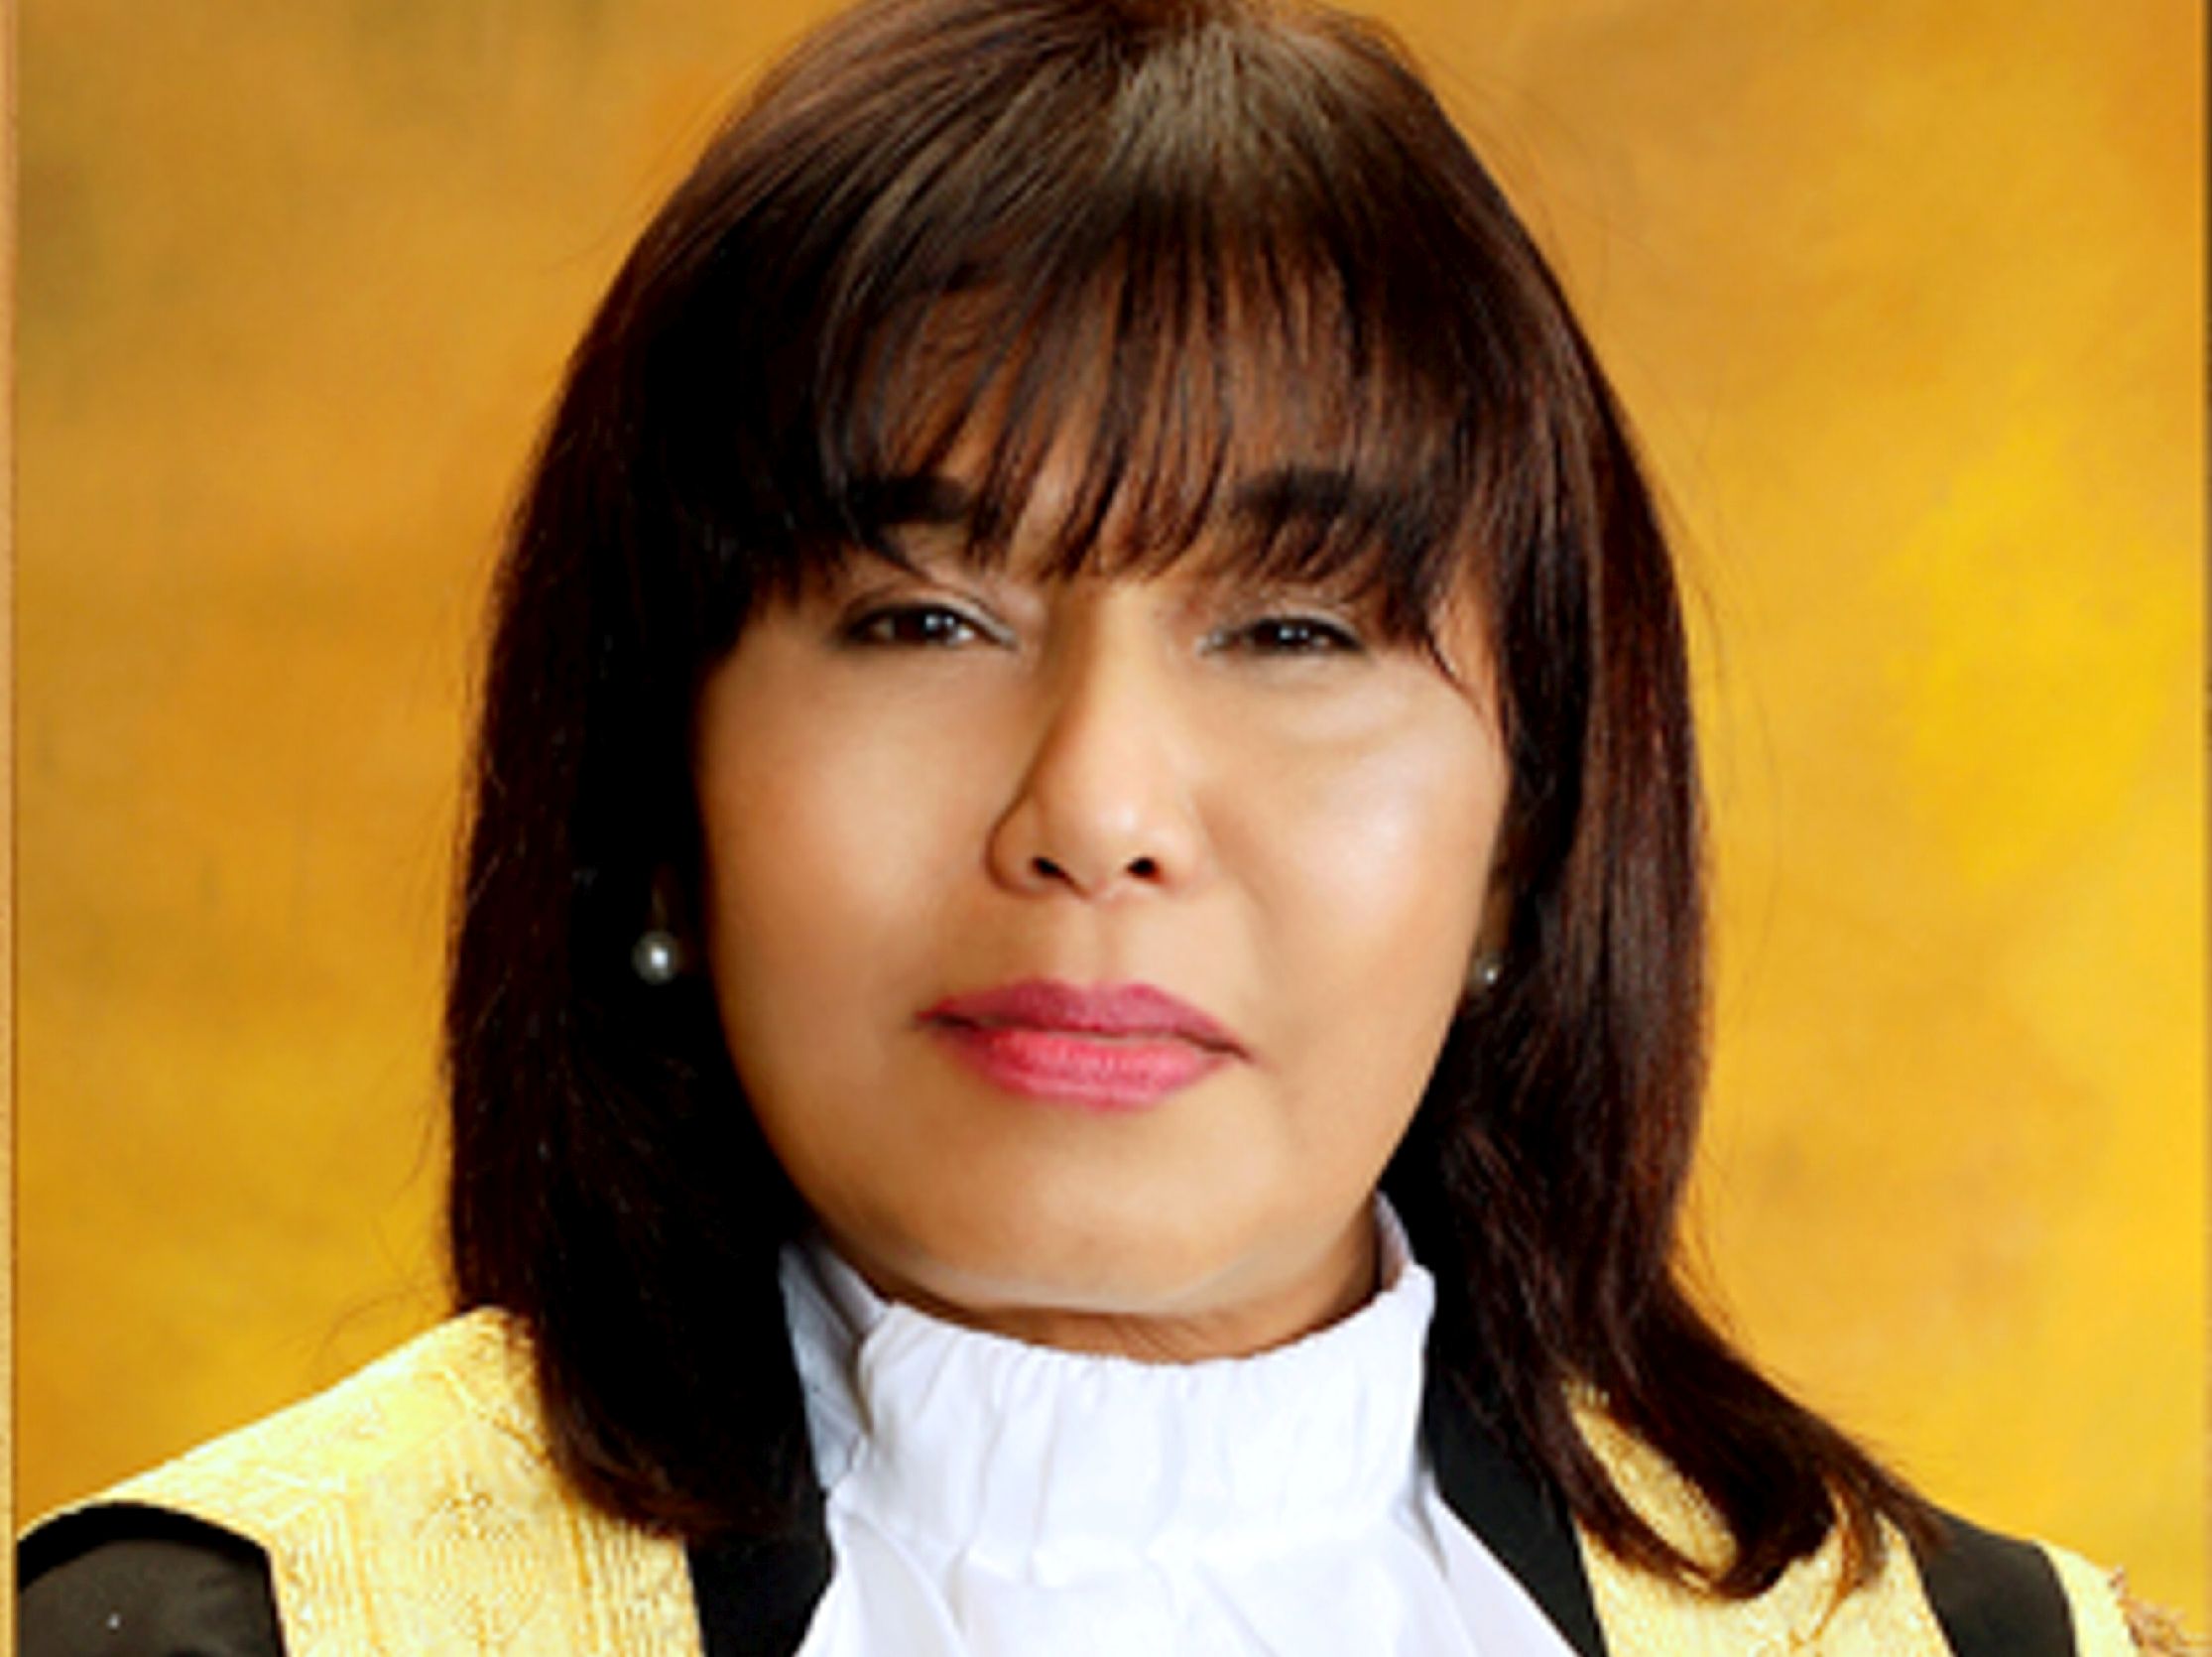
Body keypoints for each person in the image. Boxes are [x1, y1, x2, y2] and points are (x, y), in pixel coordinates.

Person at [17, 0, 2183, 1652]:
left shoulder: (1986, 1647)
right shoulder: (227, 1632)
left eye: (1293, 628)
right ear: (657, 789)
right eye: (922, 617)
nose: (1097, 809)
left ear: (1530, 831)